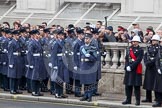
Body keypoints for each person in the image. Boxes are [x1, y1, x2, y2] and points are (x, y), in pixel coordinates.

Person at [122, 35, 144, 106]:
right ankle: (128, 100)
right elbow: (126, 59)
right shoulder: (129, 49)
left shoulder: (140, 50)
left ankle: (137, 101)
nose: (134, 43)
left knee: (136, 86)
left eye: (135, 41)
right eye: (133, 41)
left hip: (136, 69)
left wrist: (131, 66)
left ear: (138, 42)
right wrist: (127, 66)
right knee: (128, 85)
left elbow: (138, 60)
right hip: (129, 69)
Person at [79, 33, 98, 102]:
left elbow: (95, 58)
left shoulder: (93, 48)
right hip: (83, 66)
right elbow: (79, 57)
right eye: (85, 38)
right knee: (84, 82)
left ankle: (89, 96)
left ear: (90, 40)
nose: (86, 40)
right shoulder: (81, 47)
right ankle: (85, 95)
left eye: (87, 39)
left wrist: (89, 56)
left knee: (90, 83)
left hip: (89, 66)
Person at [142, 35, 160, 103]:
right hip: (149, 67)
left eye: (155, 40)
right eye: (153, 40)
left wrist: (151, 62)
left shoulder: (159, 48)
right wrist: (146, 62)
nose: (153, 41)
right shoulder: (149, 47)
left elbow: (158, 57)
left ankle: (157, 98)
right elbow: (145, 56)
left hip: (155, 67)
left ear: (158, 41)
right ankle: (148, 98)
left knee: (156, 84)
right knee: (148, 83)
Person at [8, 30, 23, 94]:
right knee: (13, 76)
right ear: (14, 35)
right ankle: (12, 89)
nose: (18, 36)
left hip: (18, 59)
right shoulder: (11, 42)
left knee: (17, 75)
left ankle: (16, 89)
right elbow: (10, 53)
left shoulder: (18, 42)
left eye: (18, 35)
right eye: (17, 35)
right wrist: (11, 62)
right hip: (13, 59)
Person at [72, 28, 84, 97]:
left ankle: (78, 91)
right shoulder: (76, 42)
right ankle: (77, 92)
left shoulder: (81, 42)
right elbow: (74, 54)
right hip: (77, 62)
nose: (83, 36)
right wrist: (75, 64)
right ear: (79, 35)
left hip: (80, 61)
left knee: (80, 78)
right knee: (77, 78)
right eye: (82, 34)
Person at [153, 39, 162, 107]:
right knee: (158, 88)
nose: (161, 43)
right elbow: (157, 60)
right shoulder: (159, 50)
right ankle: (159, 101)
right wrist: (158, 68)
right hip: (159, 71)